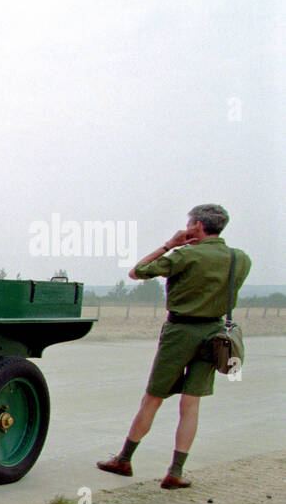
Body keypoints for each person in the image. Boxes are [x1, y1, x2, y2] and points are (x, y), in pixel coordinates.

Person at [97, 204, 251, 489]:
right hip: (215, 334)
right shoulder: (239, 258)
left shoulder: (185, 255)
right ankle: (176, 471)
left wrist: (170, 244)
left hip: (180, 330)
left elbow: (137, 271)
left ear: (197, 226)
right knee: (191, 404)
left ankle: (124, 458)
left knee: (152, 398)